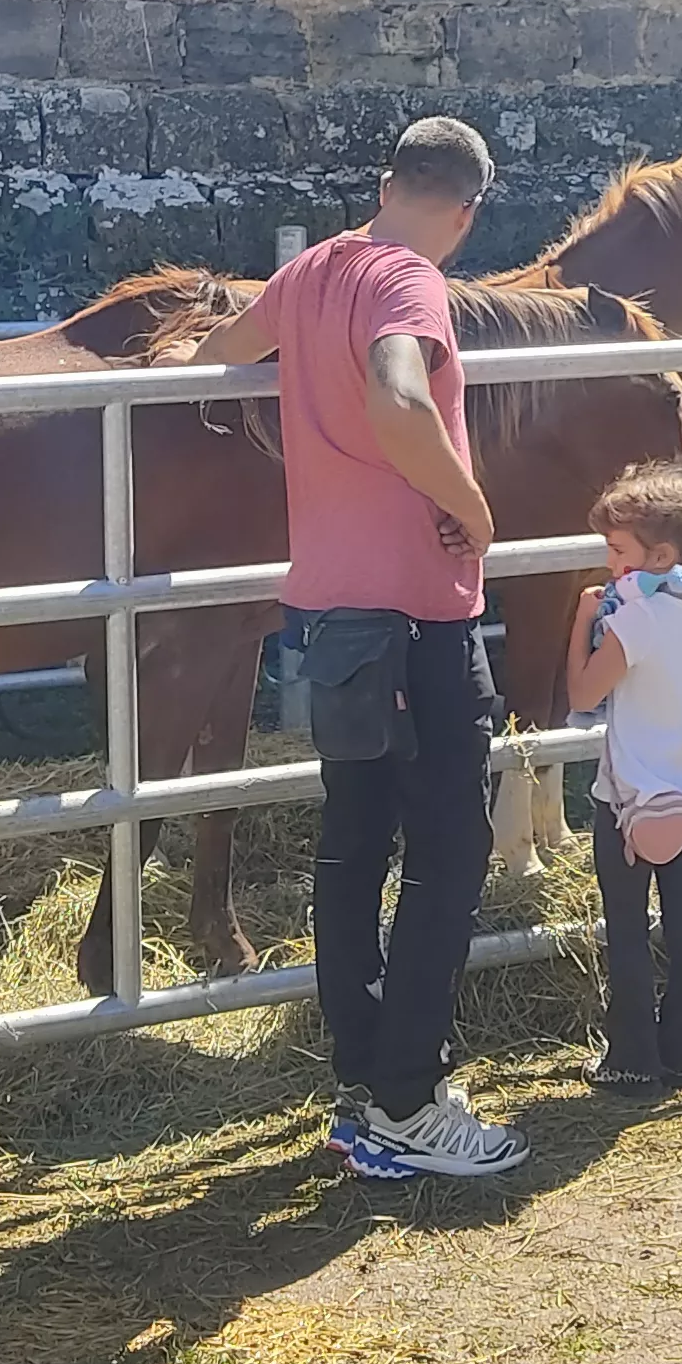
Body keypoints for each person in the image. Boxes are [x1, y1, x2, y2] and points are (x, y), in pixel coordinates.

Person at [196, 117, 529, 1182]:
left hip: (329, 609)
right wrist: (470, 506)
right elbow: (398, 395)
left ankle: (362, 1082)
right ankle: (409, 1102)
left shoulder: (309, 272)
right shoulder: (410, 284)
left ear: (387, 184)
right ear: (467, 213)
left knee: (349, 848)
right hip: (419, 613)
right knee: (449, 855)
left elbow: (216, 353)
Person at [563, 460, 682, 1095]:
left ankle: (632, 1062)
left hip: (625, 804)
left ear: (659, 555)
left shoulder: (632, 621)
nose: (610, 563)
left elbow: (582, 693)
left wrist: (583, 623)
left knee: (628, 932)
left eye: (618, 551)